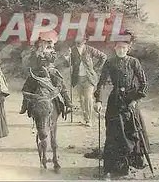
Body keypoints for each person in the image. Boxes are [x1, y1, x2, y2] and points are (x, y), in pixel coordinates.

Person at [94, 31, 150, 179]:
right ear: (114, 48)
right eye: (118, 47)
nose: (121, 50)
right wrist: (98, 100)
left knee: (132, 131)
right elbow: (101, 83)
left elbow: (144, 83)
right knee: (114, 132)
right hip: (115, 101)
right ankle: (114, 167)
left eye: (124, 48)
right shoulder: (110, 62)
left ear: (128, 49)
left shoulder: (133, 62)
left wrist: (135, 100)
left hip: (131, 101)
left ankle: (133, 162)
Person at [19, 30, 73, 118]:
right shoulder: (34, 52)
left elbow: (52, 60)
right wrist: (39, 54)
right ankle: (24, 105)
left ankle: (67, 102)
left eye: (46, 42)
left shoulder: (52, 51)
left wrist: (45, 53)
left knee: (60, 83)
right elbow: (32, 62)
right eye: (41, 42)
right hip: (37, 72)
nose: (43, 44)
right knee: (26, 86)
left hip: (49, 71)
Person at [63, 34, 107, 127]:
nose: (79, 42)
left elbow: (103, 56)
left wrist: (95, 69)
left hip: (88, 78)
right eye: (77, 40)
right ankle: (85, 118)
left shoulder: (90, 49)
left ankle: (89, 120)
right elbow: (68, 64)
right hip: (77, 78)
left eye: (81, 40)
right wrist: (67, 57)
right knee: (82, 99)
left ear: (85, 41)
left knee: (88, 98)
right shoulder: (72, 50)